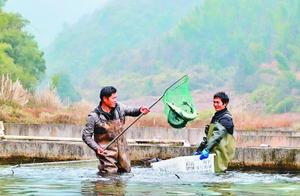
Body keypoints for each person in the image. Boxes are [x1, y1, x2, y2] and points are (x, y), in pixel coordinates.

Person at [82, 86, 150, 174]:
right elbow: (86, 136)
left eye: (116, 98)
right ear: (105, 99)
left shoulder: (120, 108)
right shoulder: (94, 116)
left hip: (123, 153)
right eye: (113, 98)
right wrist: (96, 148)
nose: (115, 100)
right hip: (107, 154)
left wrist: (140, 110)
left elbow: (131, 110)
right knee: (108, 178)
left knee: (125, 177)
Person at [194, 91, 236, 172]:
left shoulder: (226, 118)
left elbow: (217, 135)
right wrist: (200, 149)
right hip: (213, 152)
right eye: (214, 102)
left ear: (225, 104)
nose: (215, 104)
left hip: (222, 154)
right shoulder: (216, 117)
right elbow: (209, 136)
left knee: (220, 174)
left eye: (217, 102)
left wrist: (206, 149)